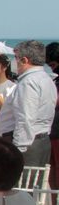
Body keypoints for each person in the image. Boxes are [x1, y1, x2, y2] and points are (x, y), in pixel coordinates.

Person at [0, 40, 57, 166]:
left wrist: (18, 150)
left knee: (23, 185)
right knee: (35, 183)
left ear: (24, 60)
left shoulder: (29, 82)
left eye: (16, 58)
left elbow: (25, 118)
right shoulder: (46, 79)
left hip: (28, 145)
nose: (14, 62)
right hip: (39, 140)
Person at [46, 42, 59, 196]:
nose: (52, 68)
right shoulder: (55, 81)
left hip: (57, 135)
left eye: (53, 64)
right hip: (53, 133)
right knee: (53, 176)